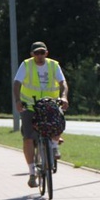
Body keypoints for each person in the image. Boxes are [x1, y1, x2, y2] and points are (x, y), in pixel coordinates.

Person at [13, 41, 69, 188]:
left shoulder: (53, 65)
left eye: (42, 52)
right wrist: (18, 101)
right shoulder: (26, 65)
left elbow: (63, 83)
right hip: (30, 105)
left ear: (46, 52)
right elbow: (17, 83)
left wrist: (64, 97)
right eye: (36, 53)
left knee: (58, 122)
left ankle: (54, 144)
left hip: (50, 104)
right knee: (28, 138)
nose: (39, 56)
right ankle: (32, 172)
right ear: (32, 54)